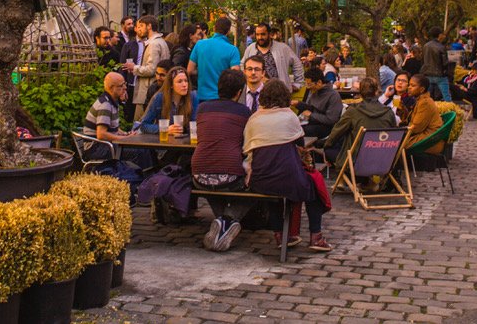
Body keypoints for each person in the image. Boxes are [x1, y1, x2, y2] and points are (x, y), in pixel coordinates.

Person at [243, 79, 334, 253]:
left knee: (273, 191)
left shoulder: (253, 119)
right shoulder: (289, 116)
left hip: (260, 179)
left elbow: (247, 147)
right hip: (288, 177)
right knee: (313, 186)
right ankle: (316, 235)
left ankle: (280, 234)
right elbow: (300, 142)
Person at [193, 69, 251, 252]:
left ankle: (220, 222)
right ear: (239, 92)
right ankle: (227, 219)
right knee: (257, 183)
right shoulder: (244, 112)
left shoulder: (202, 108)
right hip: (230, 177)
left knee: (212, 180)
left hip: (198, 175)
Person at [322, 77, 396, 171]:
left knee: (330, 150)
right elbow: (394, 136)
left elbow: (335, 133)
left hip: (356, 162)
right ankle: (369, 182)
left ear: (360, 93)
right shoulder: (389, 112)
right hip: (384, 161)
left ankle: (345, 180)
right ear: (377, 92)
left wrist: (325, 146)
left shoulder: (353, 111)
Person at [81, 72, 137, 158]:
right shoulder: (105, 105)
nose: (125, 88)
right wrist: (125, 139)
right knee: (139, 152)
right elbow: (101, 134)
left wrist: (126, 134)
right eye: (121, 86)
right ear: (112, 88)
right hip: (96, 149)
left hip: (103, 145)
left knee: (140, 150)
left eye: (124, 84)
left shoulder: (112, 101)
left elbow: (113, 128)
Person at [126, 16, 170, 120]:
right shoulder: (161, 41)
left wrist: (134, 68)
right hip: (154, 90)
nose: (138, 29)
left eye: (141, 26)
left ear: (149, 26)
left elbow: (152, 69)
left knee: (139, 124)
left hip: (147, 92)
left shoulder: (154, 44)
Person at [188, 16, 242, 102]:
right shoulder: (232, 50)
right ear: (228, 31)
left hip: (202, 96)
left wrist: (202, 69)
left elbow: (190, 70)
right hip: (223, 98)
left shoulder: (199, 45)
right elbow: (235, 75)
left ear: (214, 28)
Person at [242, 22, 303, 91]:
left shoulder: (283, 48)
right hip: (256, 93)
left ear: (270, 34)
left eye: (263, 34)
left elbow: (297, 64)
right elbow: (242, 66)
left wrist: (298, 84)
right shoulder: (251, 49)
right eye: (257, 35)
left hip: (279, 93)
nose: (260, 37)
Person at [139, 66, 198, 134]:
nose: (184, 85)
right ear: (171, 85)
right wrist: (165, 129)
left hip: (185, 142)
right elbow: (144, 126)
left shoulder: (193, 97)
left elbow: (194, 124)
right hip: (164, 141)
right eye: (179, 81)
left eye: (186, 80)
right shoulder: (159, 98)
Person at [294, 68, 343, 140]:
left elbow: (331, 119)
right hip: (313, 123)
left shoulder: (333, 96)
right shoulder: (315, 92)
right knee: (293, 127)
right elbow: (312, 108)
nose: (307, 87)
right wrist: (298, 104)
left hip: (327, 128)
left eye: (309, 84)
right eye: (306, 84)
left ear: (319, 82)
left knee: (300, 131)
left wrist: (311, 115)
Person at [402, 75, 444, 152]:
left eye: (413, 85)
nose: (409, 87)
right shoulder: (420, 100)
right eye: (409, 85)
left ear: (421, 89)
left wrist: (401, 131)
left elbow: (416, 127)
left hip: (430, 139)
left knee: (396, 144)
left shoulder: (424, 103)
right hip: (425, 136)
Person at [419, 29, 450, 101]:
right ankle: (451, 111)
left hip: (427, 74)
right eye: (442, 34)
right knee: (447, 97)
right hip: (440, 75)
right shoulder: (441, 47)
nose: (443, 36)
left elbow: (422, 60)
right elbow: (445, 63)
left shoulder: (425, 46)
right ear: (439, 35)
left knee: (426, 97)